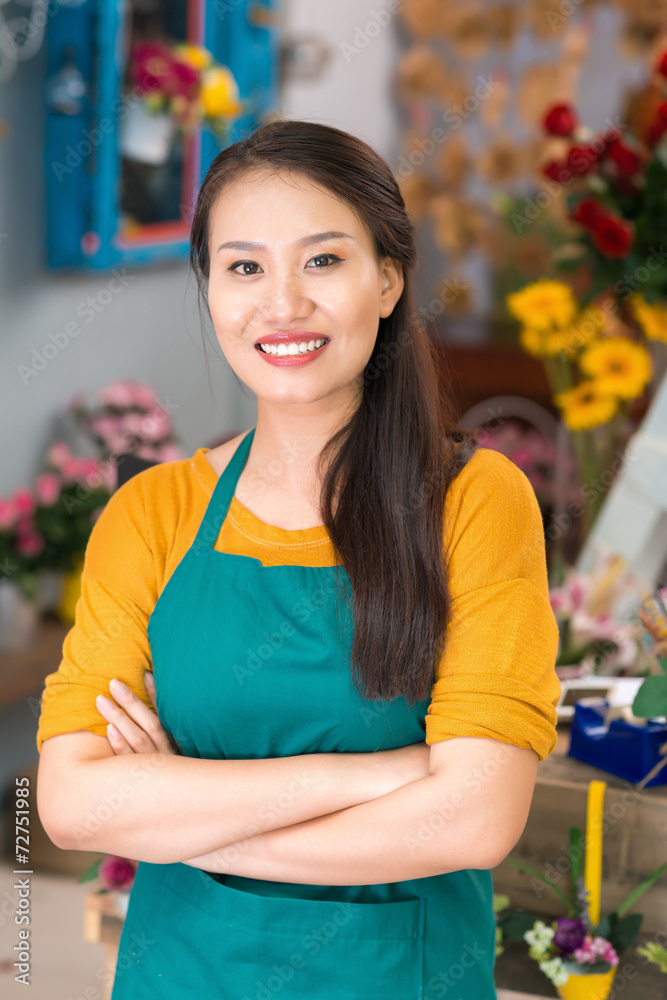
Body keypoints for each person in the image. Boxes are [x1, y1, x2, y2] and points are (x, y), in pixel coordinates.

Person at [36, 119, 561, 999]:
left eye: (322, 261)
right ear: (210, 290)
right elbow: (71, 806)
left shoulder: (474, 500)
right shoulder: (152, 514)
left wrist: (186, 813)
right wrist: (380, 775)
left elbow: (472, 820)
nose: (280, 304)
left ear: (387, 279)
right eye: (244, 267)